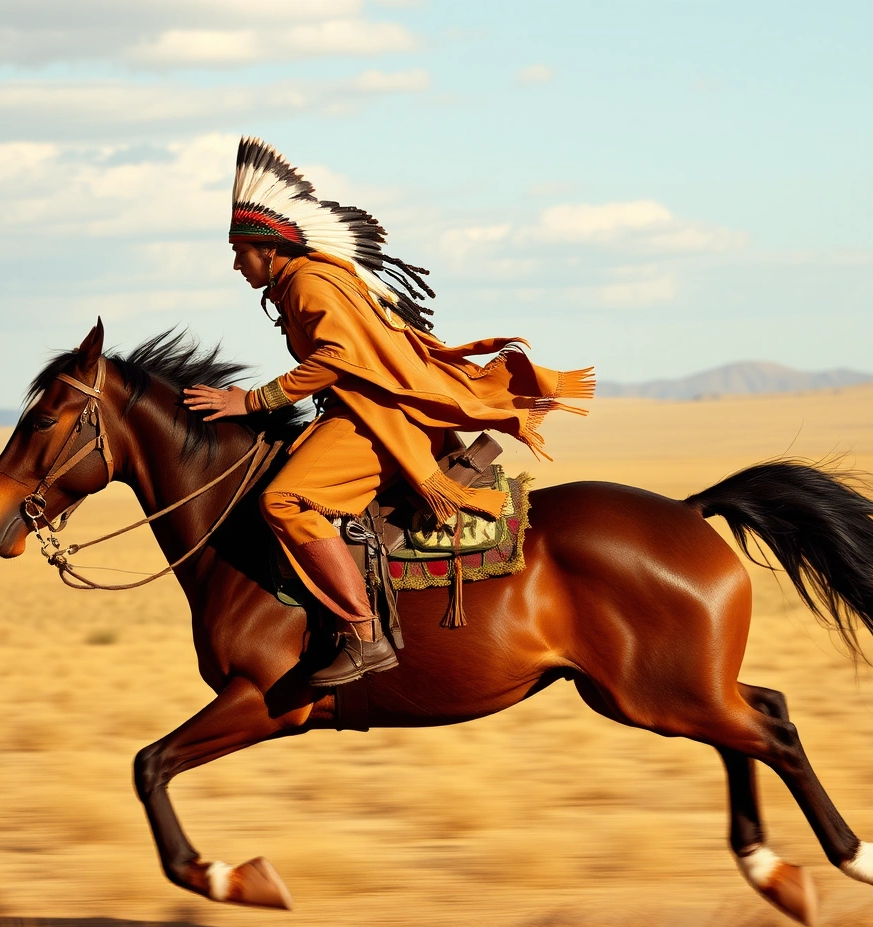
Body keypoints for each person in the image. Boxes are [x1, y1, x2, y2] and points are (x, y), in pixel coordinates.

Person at [184, 138, 593, 687]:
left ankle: (363, 634)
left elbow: (339, 355)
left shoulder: (306, 283)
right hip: (359, 410)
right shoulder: (299, 282)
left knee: (282, 500)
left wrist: (252, 401)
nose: (237, 265)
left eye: (242, 253)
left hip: (376, 419)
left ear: (270, 249)